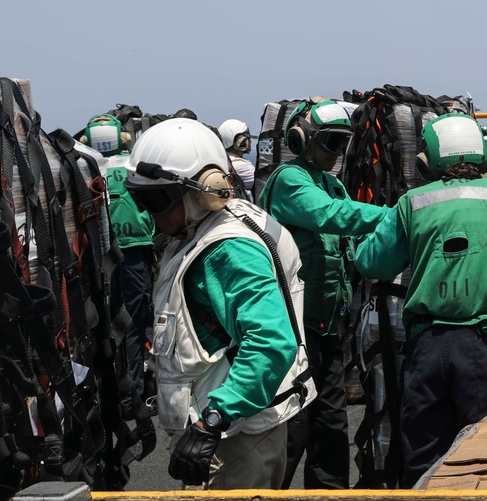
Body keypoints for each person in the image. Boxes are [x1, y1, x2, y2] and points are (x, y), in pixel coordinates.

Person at [354, 112, 487, 487]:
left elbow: (371, 262)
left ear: (427, 160)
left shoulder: (413, 203)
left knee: (425, 460)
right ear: (486, 156)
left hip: (428, 347)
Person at [124, 118, 313, 490]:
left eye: (157, 200)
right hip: (230, 428)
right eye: (140, 199)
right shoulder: (204, 230)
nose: (151, 213)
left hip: (236, 436)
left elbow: (271, 342)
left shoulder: (228, 249)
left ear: (203, 191)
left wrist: (214, 418)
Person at [256, 99, 389, 489]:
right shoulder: (290, 180)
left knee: (331, 422)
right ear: (302, 140)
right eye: (329, 141)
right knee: (293, 425)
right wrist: (403, 214)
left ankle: (329, 494)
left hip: (327, 324)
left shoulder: (331, 184)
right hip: (294, 326)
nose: (336, 153)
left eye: (341, 143)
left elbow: (350, 235)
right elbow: (331, 216)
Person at [79, 114, 156, 413]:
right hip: (134, 254)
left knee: (98, 324)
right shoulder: (135, 164)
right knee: (134, 324)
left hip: (96, 256)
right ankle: (131, 396)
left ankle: (103, 395)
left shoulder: (82, 167)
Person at [219, 118, 256, 201]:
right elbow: (267, 182)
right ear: (241, 142)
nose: (250, 141)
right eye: (248, 138)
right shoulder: (242, 167)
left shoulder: (225, 159)